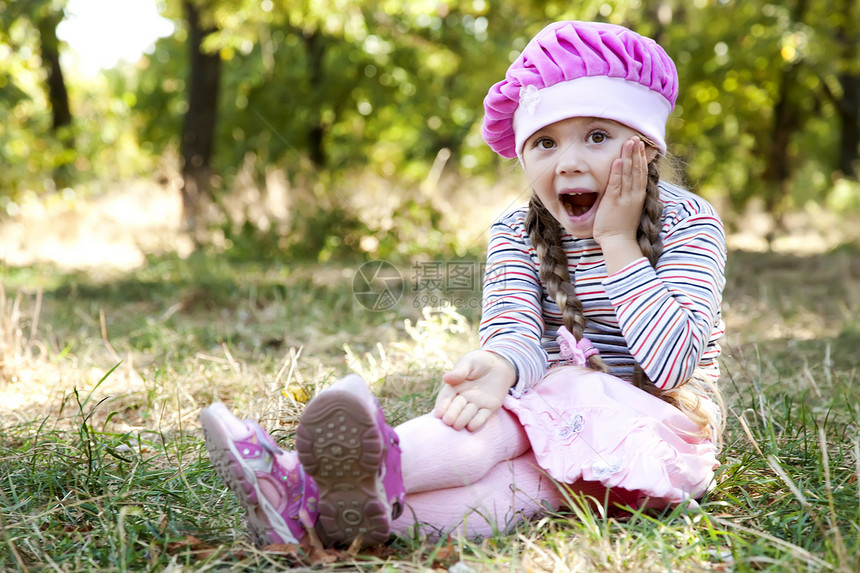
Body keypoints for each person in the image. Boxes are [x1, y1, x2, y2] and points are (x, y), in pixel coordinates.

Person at [200, 19, 727, 548]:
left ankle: (293, 476)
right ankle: (307, 519)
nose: (568, 163)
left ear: (646, 148)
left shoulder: (690, 222)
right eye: (545, 142)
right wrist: (500, 365)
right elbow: (515, 329)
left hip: (652, 444)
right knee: (507, 471)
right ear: (523, 157)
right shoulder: (517, 230)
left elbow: (673, 364)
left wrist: (617, 241)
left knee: (517, 421)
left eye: (597, 136)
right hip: (560, 433)